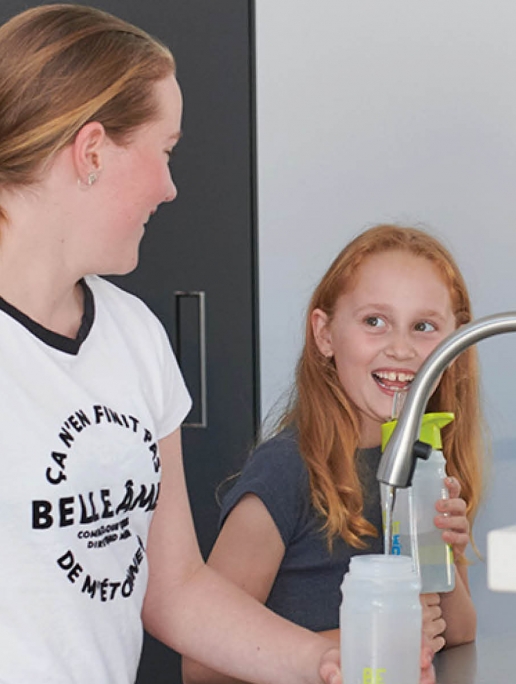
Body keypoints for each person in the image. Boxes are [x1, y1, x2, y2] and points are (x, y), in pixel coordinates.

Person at [0, 5, 435, 683]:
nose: (171, 188)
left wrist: (325, 660)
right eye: (165, 151)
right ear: (92, 152)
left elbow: (174, 588)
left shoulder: (133, 335)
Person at [182, 224, 485, 684]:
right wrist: (373, 638)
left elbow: (457, 632)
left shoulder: (422, 462)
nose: (401, 348)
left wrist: (443, 549)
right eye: (374, 322)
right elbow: (203, 663)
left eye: (423, 327)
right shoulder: (286, 471)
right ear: (324, 334)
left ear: (455, 345)